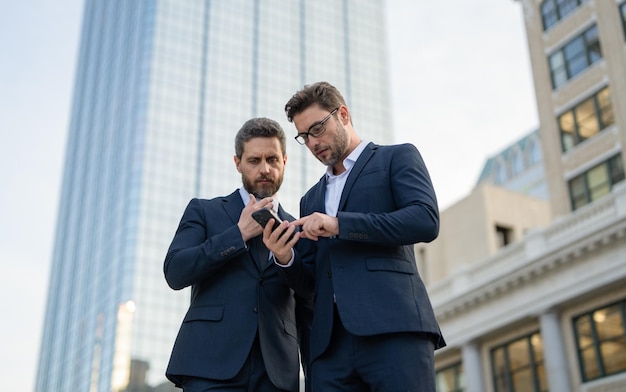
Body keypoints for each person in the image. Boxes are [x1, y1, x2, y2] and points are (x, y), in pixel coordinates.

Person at [263, 81, 446, 391]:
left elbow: (425, 220)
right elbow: (309, 284)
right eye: (304, 137)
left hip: (393, 330)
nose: (312, 142)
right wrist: (286, 257)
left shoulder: (396, 158)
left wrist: (339, 224)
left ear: (343, 115)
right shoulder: (310, 199)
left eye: (318, 129)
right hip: (329, 349)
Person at [163, 117, 307, 392]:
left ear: (285, 162)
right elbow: (175, 271)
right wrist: (238, 234)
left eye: (272, 160)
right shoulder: (205, 211)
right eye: (254, 161)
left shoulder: (297, 229)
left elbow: (310, 296)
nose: (265, 169)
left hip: (276, 373)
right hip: (210, 366)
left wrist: (287, 260)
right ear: (237, 162)